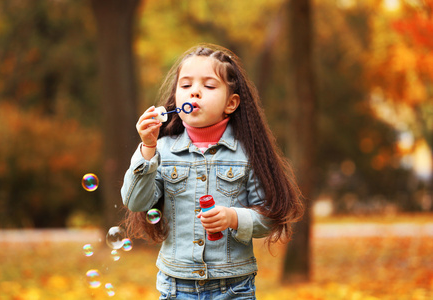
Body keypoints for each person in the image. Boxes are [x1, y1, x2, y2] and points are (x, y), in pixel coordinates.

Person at [121, 43, 304, 299]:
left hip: (233, 287)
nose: (195, 92)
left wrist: (233, 218)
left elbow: (270, 217)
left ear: (231, 103)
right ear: (176, 98)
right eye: (186, 86)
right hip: (176, 286)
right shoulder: (161, 150)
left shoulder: (248, 153)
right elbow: (135, 201)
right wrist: (148, 147)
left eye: (208, 86)